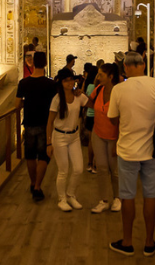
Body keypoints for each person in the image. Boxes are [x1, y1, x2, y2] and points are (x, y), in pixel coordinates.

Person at [107, 51, 155, 256]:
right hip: (153, 150)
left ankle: (128, 242)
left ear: (126, 68)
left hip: (128, 150)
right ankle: (149, 243)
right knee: (151, 196)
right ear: (143, 65)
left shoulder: (119, 89)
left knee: (127, 197)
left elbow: (112, 118)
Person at [15, 52, 57, 201]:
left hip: (29, 122)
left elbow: (17, 104)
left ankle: (33, 183)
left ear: (33, 63)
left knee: (31, 156)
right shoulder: (51, 84)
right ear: (45, 64)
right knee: (44, 156)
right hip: (45, 124)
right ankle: (38, 186)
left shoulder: (24, 83)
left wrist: (28, 103)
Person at [46, 67, 88, 212]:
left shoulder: (78, 97)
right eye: (66, 80)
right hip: (60, 137)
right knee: (63, 170)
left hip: (74, 136)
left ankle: (70, 195)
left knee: (78, 168)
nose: (70, 83)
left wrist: (83, 92)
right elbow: (50, 122)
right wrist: (49, 143)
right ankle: (62, 198)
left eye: (71, 79)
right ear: (61, 82)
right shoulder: (57, 99)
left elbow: (92, 104)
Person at [88, 62, 121, 214]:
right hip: (98, 133)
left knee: (114, 169)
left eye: (101, 74)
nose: (98, 77)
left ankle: (118, 198)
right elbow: (90, 103)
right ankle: (104, 200)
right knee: (101, 167)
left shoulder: (119, 93)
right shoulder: (98, 89)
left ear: (110, 77)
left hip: (114, 136)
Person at [81, 62, 99, 172]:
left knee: (91, 141)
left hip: (89, 115)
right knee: (97, 141)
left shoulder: (89, 86)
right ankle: (96, 164)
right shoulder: (98, 87)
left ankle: (89, 163)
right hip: (97, 115)